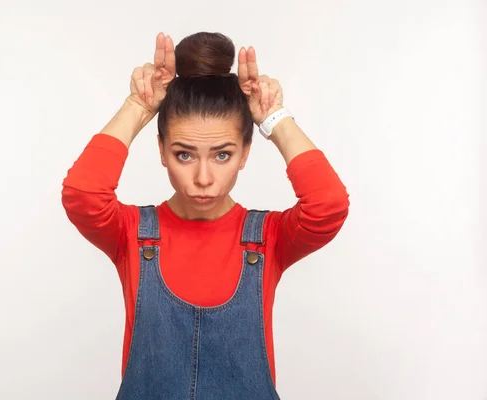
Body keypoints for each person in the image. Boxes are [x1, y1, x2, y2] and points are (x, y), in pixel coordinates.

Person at [61, 31, 350, 399]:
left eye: (222, 155)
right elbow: (82, 194)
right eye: (184, 154)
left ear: (246, 153)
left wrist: (275, 119)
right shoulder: (132, 234)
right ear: (162, 150)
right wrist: (138, 106)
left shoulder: (268, 239)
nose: (203, 178)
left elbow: (329, 205)